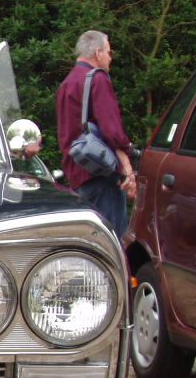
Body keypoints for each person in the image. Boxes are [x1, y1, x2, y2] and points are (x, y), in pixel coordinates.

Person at [56, 30, 137, 237]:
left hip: (77, 173)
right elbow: (112, 130)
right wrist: (128, 157)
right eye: (109, 52)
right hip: (100, 174)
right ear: (98, 53)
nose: (110, 58)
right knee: (112, 239)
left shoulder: (67, 83)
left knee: (90, 242)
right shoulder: (97, 79)